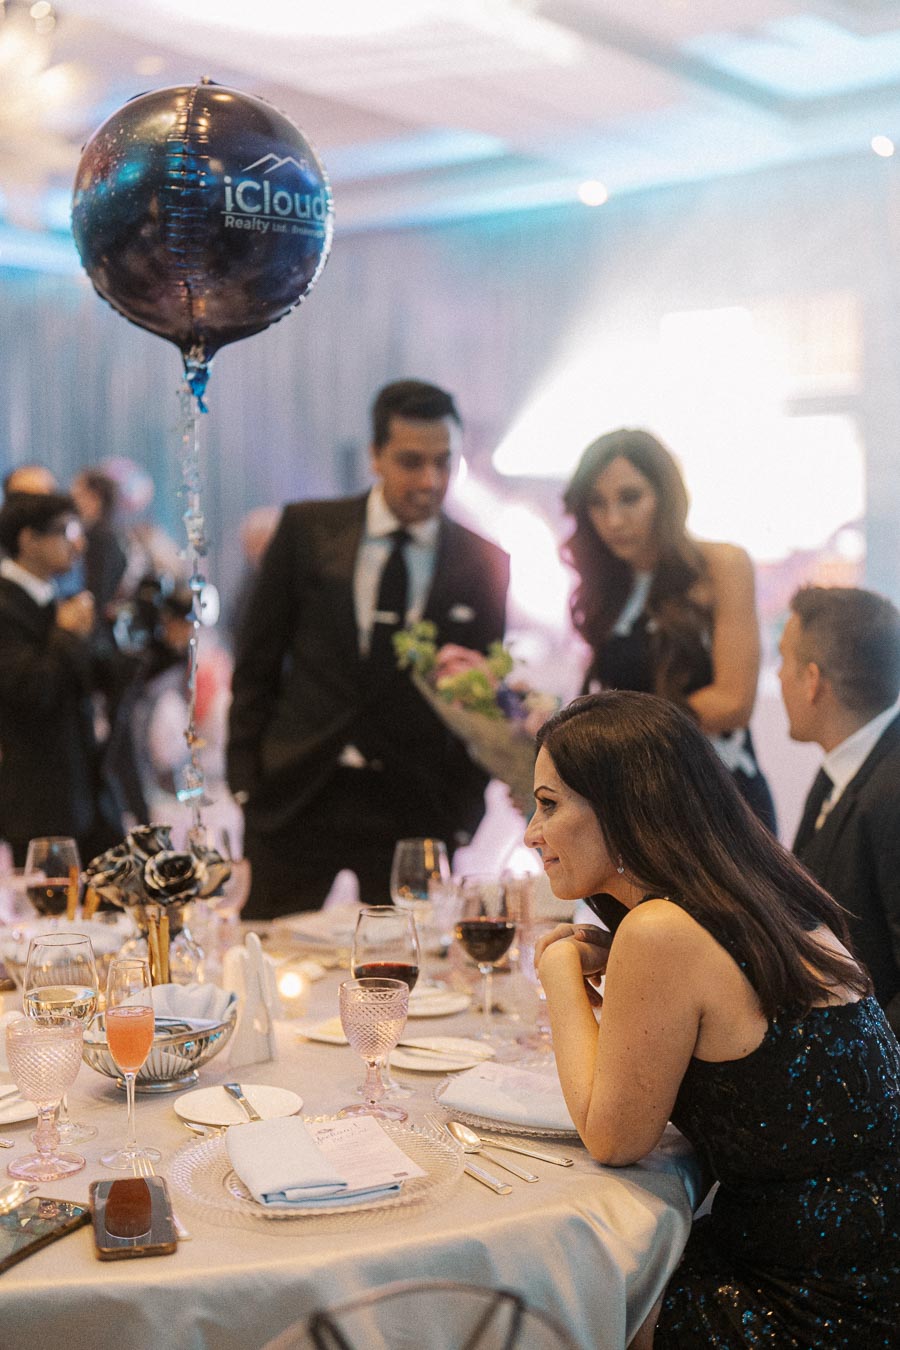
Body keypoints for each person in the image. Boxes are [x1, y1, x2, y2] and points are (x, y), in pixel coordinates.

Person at [527, 691, 899, 1348]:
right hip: (866, 1269)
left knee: (551, 1306)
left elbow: (614, 1139)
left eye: (549, 804)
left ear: (624, 806)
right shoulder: (765, 897)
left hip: (809, 1307)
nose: (533, 832)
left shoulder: (661, 931)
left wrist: (558, 968)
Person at [227, 379, 510, 917]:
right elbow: (256, 663)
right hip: (298, 794)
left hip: (415, 805)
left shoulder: (484, 562)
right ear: (375, 456)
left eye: (443, 463)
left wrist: (463, 811)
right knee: (267, 963)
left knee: (407, 984)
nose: (429, 481)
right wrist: (247, 784)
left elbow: (483, 699)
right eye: (410, 461)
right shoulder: (307, 531)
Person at [563, 428, 775, 829]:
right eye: (597, 503)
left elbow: (734, 701)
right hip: (637, 803)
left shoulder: (722, 565)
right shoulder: (606, 586)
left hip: (717, 797)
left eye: (630, 498)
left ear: (666, 494)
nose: (614, 520)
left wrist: (607, 737)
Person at [780, 585, 900, 1034]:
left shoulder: (893, 788)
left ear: (812, 680)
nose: (777, 677)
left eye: (783, 660)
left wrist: (864, 1080)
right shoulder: (840, 770)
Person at [0, 492, 124, 865]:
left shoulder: (60, 599)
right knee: (51, 920)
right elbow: (30, 691)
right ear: (28, 539)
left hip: (84, 795)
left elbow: (100, 682)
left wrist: (155, 642)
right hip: (37, 804)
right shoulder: (6, 606)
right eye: (67, 530)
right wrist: (67, 636)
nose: (78, 543)